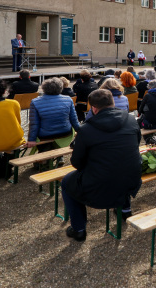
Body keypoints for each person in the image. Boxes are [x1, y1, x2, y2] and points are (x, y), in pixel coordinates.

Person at [61, 89, 142, 241]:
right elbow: (135, 145)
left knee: (66, 182)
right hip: (132, 179)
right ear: (112, 103)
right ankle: (125, 209)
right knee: (122, 165)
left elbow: (77, 163)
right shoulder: (131, 120)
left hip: (101, 184)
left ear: (94, 108)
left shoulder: (86, 129)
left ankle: (78, 228)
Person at [27, 77, 80, 151]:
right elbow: (74, 119)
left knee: (43, 147)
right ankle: (59, 156)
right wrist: (80, 132)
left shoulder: (35, 102)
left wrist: (31, 139)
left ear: (44, 88)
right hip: (65, 133)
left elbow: (34, 123)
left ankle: (44, 159)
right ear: (60, 88)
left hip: (45, 135)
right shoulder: (68, 99)